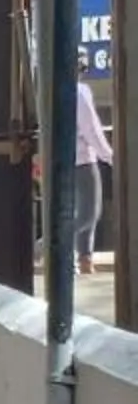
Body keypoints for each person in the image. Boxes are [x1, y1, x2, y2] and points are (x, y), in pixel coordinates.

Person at [76, 80, 113, 276]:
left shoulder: (49, 92)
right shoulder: (80, 92)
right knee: (89, 213)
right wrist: (109, 156)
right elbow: (91, 129)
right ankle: (49, 243)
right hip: (82, 160)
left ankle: (85, 260)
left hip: (59, 162)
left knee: (78, 211)